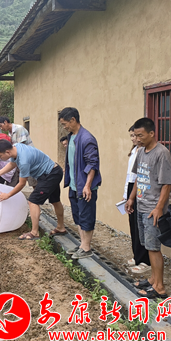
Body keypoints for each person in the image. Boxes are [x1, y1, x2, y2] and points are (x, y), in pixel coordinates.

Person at [125, 117, 171, 299]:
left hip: (153, 208)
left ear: (152, 133)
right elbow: (139, 177)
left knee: (153, 248)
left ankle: (159, 287)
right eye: (135, 135)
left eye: (141, 135)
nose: (137, 139)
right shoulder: (140, 152)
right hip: (141, 204)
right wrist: (131, 198)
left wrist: (159, 208)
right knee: (147, 245)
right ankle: (153, 279)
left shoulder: (162, 153)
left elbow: (167, 184)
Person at [0, 139, 66, 241]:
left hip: (49, 175)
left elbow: (21, 184)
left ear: (7, 152)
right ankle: (60, 228)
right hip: (53, 170)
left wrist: (7, 195)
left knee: (33, 201)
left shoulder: (24, 161)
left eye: (0, 156)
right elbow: (12, 164)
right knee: (55, 200)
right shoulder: (16, 147)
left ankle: (34, 233)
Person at [59, 107, 102, 260]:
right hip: (74, 185)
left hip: (84, 186)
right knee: (78, 215)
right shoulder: (71, 137)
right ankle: (82, 244)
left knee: (86, 216)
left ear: (73, 120)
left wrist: (87, 185)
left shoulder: (87, 139)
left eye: (65, 124)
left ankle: (86, 248)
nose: (64, 127)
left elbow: (92, 164)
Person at [124, 125, 150, 273]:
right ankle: (137, 255)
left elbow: (140, 176)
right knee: (133, 224)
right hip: (132, 187)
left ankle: (144, 259)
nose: (134, 139)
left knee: (141, 225)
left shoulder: (145, 152)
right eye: (132, 136)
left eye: (136, 135)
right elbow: (129, 175)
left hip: (140, 188)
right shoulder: (134, 151)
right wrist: (126, 195)